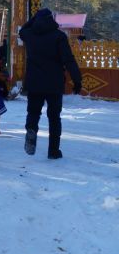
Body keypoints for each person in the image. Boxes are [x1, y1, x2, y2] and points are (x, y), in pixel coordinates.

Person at [20, 8, 82, 160]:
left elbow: (23, 29)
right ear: (51, 19)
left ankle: (31, 129)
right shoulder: (59, 36)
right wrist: (77, 79)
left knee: (33, 113)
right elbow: (68, 59)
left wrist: (34, 18)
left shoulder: (29, 35)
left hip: (34, 82)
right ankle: (53, 151)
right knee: (54, 117)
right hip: (54, 83)